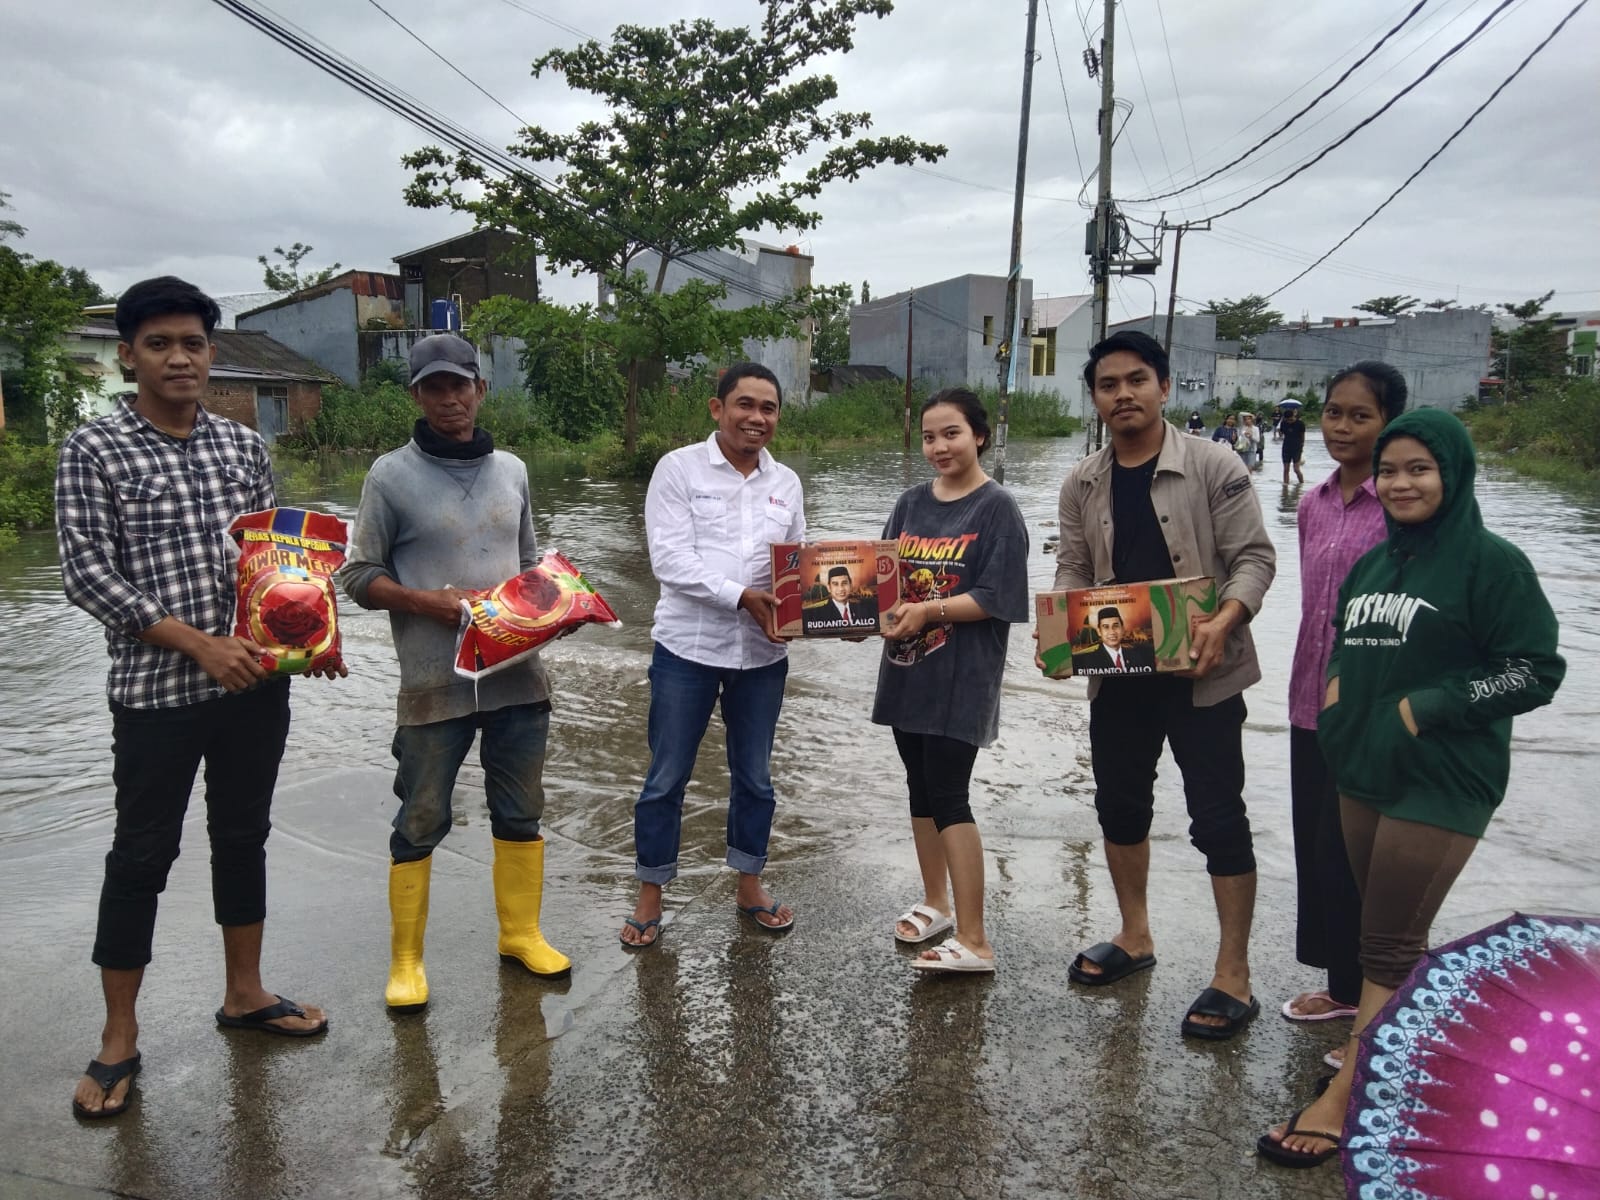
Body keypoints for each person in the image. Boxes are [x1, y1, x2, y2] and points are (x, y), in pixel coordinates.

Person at [55, 277, 334, 1119]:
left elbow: (271, 557)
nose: (180, 357)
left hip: (253, 686)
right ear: (130, 355)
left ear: (212, 353)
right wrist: (198, 643)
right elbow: (86, 575)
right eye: (161, 343)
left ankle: (244, 995)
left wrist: (308, 632)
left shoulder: (240, 445)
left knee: (242, 835)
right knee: (141, 855)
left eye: (194, 343)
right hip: (155, 692)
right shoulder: (93, 449)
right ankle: (117, 1039)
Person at [1259, 408, 1564, 1168]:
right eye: (1389, 470)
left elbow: (1535, 668)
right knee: (1385, 934)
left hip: (1445, 781)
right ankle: (1408, 1052)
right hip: (1362, 769)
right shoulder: (1374, 564)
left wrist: (1422, 708)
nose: (1399, 483)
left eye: (1418, 469)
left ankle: (1354, 1093)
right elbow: (1341, 644)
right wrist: (1336, 700)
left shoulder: (1492, 564)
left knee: (1387, 942)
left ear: (1452, 473)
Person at [1054, 330, 1276, 1039]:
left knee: (1217, 816)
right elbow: (1075, 566)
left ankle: (1232, 973)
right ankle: (1135, 935)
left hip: (1204, 674)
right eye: (1108, 384)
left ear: (1164, 387)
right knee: (1120, 806)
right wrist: (1059, 630)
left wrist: (1226, 618)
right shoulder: (1082, 480)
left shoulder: (1215, 464)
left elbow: (1254, 560)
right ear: (1094, 397)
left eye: (1137, 380)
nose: (1123, 394)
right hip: (1118, 675)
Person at [342, 333, 570, 1013]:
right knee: (420, 815)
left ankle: (521, 934)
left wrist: (561, 605)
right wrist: (421, 602)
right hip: (432, 683)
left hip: (516, 677)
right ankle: (407, 961)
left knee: (522, 811)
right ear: (415, 395)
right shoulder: (390, 476)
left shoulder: (515, 470)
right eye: (435, 387)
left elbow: (531, 569)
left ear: (480, 388)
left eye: (461, 384)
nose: (451, 399)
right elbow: (356, 575)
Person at [619, 363, 807, 948]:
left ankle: (749, 883)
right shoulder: (677, 470)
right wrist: (744, 599)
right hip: (687, 650)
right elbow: (669, 562)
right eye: (745, 404)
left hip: (762, 657)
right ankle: (651, 892)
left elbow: (797, 568)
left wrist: (822, 616)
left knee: (755, 777)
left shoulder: (787, 484)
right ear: (716, 408)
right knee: (665, 776)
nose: (757, 418)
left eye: (769, 408)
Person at [875, 388, 1029, 972]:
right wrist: (861, 616)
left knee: (949, 795)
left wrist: (929, 611)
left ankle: (976, 939)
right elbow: (882, 579)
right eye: (929, 437)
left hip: (962, 677)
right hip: (906, 672)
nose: (938, 447)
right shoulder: (910, 502)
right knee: (919, 788)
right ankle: (936, 903)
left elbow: (1000, 597)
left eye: (951, 434)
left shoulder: (997, 508)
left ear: (979, 436)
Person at [1282, 363, 1406, 1035]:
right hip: (1310, 698)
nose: (1342, 427)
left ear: (1391, 424)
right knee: (1320, 846)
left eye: (1361, 415)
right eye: (1335, 412)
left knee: (1368, 854)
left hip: (1376, 709)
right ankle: (1341, 986)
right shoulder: (1314, 503)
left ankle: (1376, 1001)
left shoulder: (1406, 505)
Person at [1073, 606, 1156, 674]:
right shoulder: (1088, 661)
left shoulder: (1137, 656)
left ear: (1123, 629)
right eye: (1106, 627)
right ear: (1099, 632)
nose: (1112, 632)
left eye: (1115, 626)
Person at [803, 565, 878, 632]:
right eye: (835, 584)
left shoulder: (865, 608)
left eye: (844, 583)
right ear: (829, 588)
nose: (841, 589)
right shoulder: (817, 614)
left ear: (850, 585)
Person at [1281, 407, 1306, 485]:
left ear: (1293, 416)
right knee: (1286, 469)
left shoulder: (1300, 424)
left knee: (1296, 469)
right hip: (1286, 447)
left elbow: (1303, 436)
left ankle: (1301, 484)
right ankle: (1285, 486)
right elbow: (1282, 433)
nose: (1289, 421)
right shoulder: (1283, 423)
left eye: (1290, 419)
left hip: (1297, 447)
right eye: (1287, 420)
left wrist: (1301, 447)